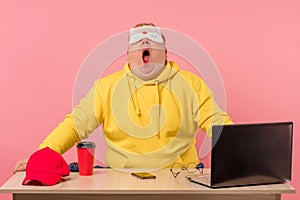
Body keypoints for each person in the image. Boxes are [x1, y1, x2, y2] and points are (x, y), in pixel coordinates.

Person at [14, 23, 233, 172]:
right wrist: (42, 156)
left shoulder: (191, 84)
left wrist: (243, 159)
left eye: (151, 40)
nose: (144, 44)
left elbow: (217, 122)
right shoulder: (107, 86)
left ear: (165, 52)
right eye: (137, 42)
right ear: (127, 54)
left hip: (179, 176)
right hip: (119, 177)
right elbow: (75, 124)